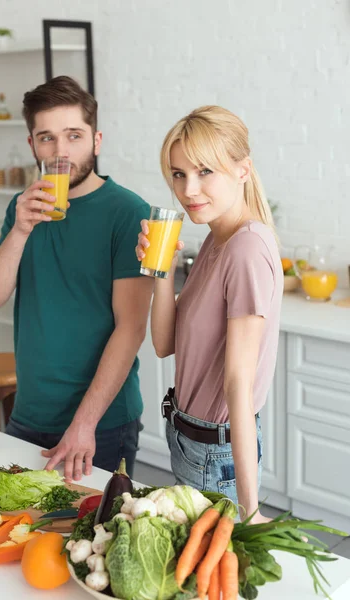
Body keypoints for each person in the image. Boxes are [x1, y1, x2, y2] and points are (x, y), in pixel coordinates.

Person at [0, 76, 153, 481]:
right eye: (47, 138)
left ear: (97, 140)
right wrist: (19, 229)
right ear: (32, 145)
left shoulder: (128, 213)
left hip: (101, 424)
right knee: (23, 529)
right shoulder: (24, 207)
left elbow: (131, 328)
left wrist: (84, 424)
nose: (61, 151)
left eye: (74, 135)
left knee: (86, 539)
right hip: (28, 413)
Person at [136, 106, 283, 523]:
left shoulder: (246, 248)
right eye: (179, 174)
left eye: (204, 172)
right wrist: (159, 268)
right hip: (187, 439)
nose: (189, 189)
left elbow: (239, 381)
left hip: (215, 454)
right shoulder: (216, 239)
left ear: (242, 170)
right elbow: (165, 344)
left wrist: (250, 511)